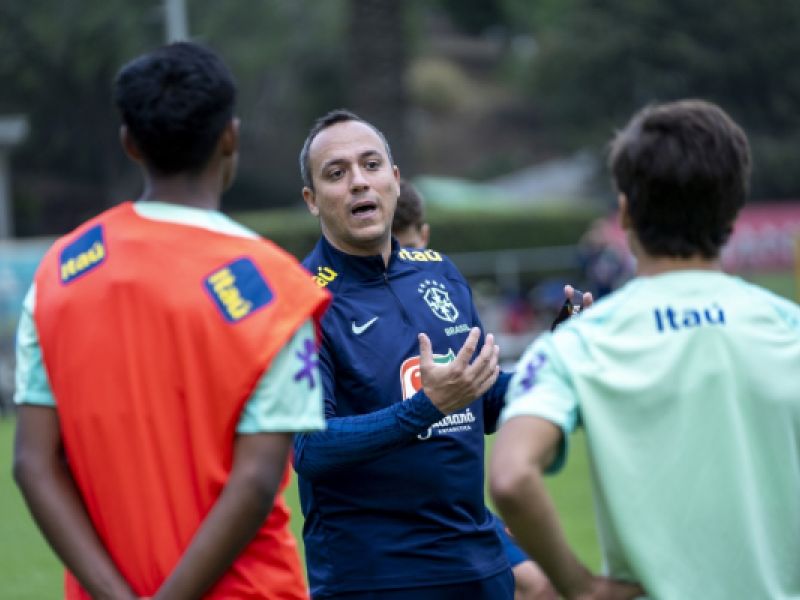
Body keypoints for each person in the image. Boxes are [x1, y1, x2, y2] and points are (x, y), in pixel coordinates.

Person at [13, 42, 330, 600]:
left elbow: (33, 465)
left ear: (129, 143)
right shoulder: (277, 289)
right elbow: (256, 481)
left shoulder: (58, 273)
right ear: (230, 136)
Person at [490, 99, 800, 600]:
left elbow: (510, 476)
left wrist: (580, 588)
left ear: (626, 212)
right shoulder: (789, 327)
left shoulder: (578, 342)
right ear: (734, 212)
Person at [294, 108, 515, 599]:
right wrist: (425, 408)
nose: (359, 181)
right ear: (312, 200)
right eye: (336, 173)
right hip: (376, 579)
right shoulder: (302, 299)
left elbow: (483, 398)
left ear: (394, 179)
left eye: (371, 165)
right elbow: (310, 447)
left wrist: (559, 366)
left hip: (478, 568)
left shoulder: (440, 273)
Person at [392, 178, 556, 600]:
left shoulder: (445, 290)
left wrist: (558, 357)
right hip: (395, 533)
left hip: (459, 516)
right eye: (395, 252)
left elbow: (488, 398)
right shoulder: (351, 311)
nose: (404, 263)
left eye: (411, 249)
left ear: (425, 237)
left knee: (540, 585)